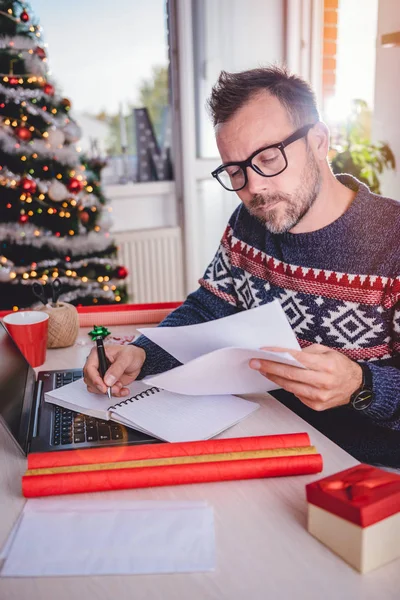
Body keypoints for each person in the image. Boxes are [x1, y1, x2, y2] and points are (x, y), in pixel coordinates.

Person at [84, 66, 400, 467]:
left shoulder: (393, 242)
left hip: (366, 467)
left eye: (268, 158)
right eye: (235, 171)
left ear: (319, 141)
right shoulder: (248, 223)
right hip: (267, 432)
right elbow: (209, 306)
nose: (254, 187)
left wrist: (360, 385)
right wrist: (143, 354)